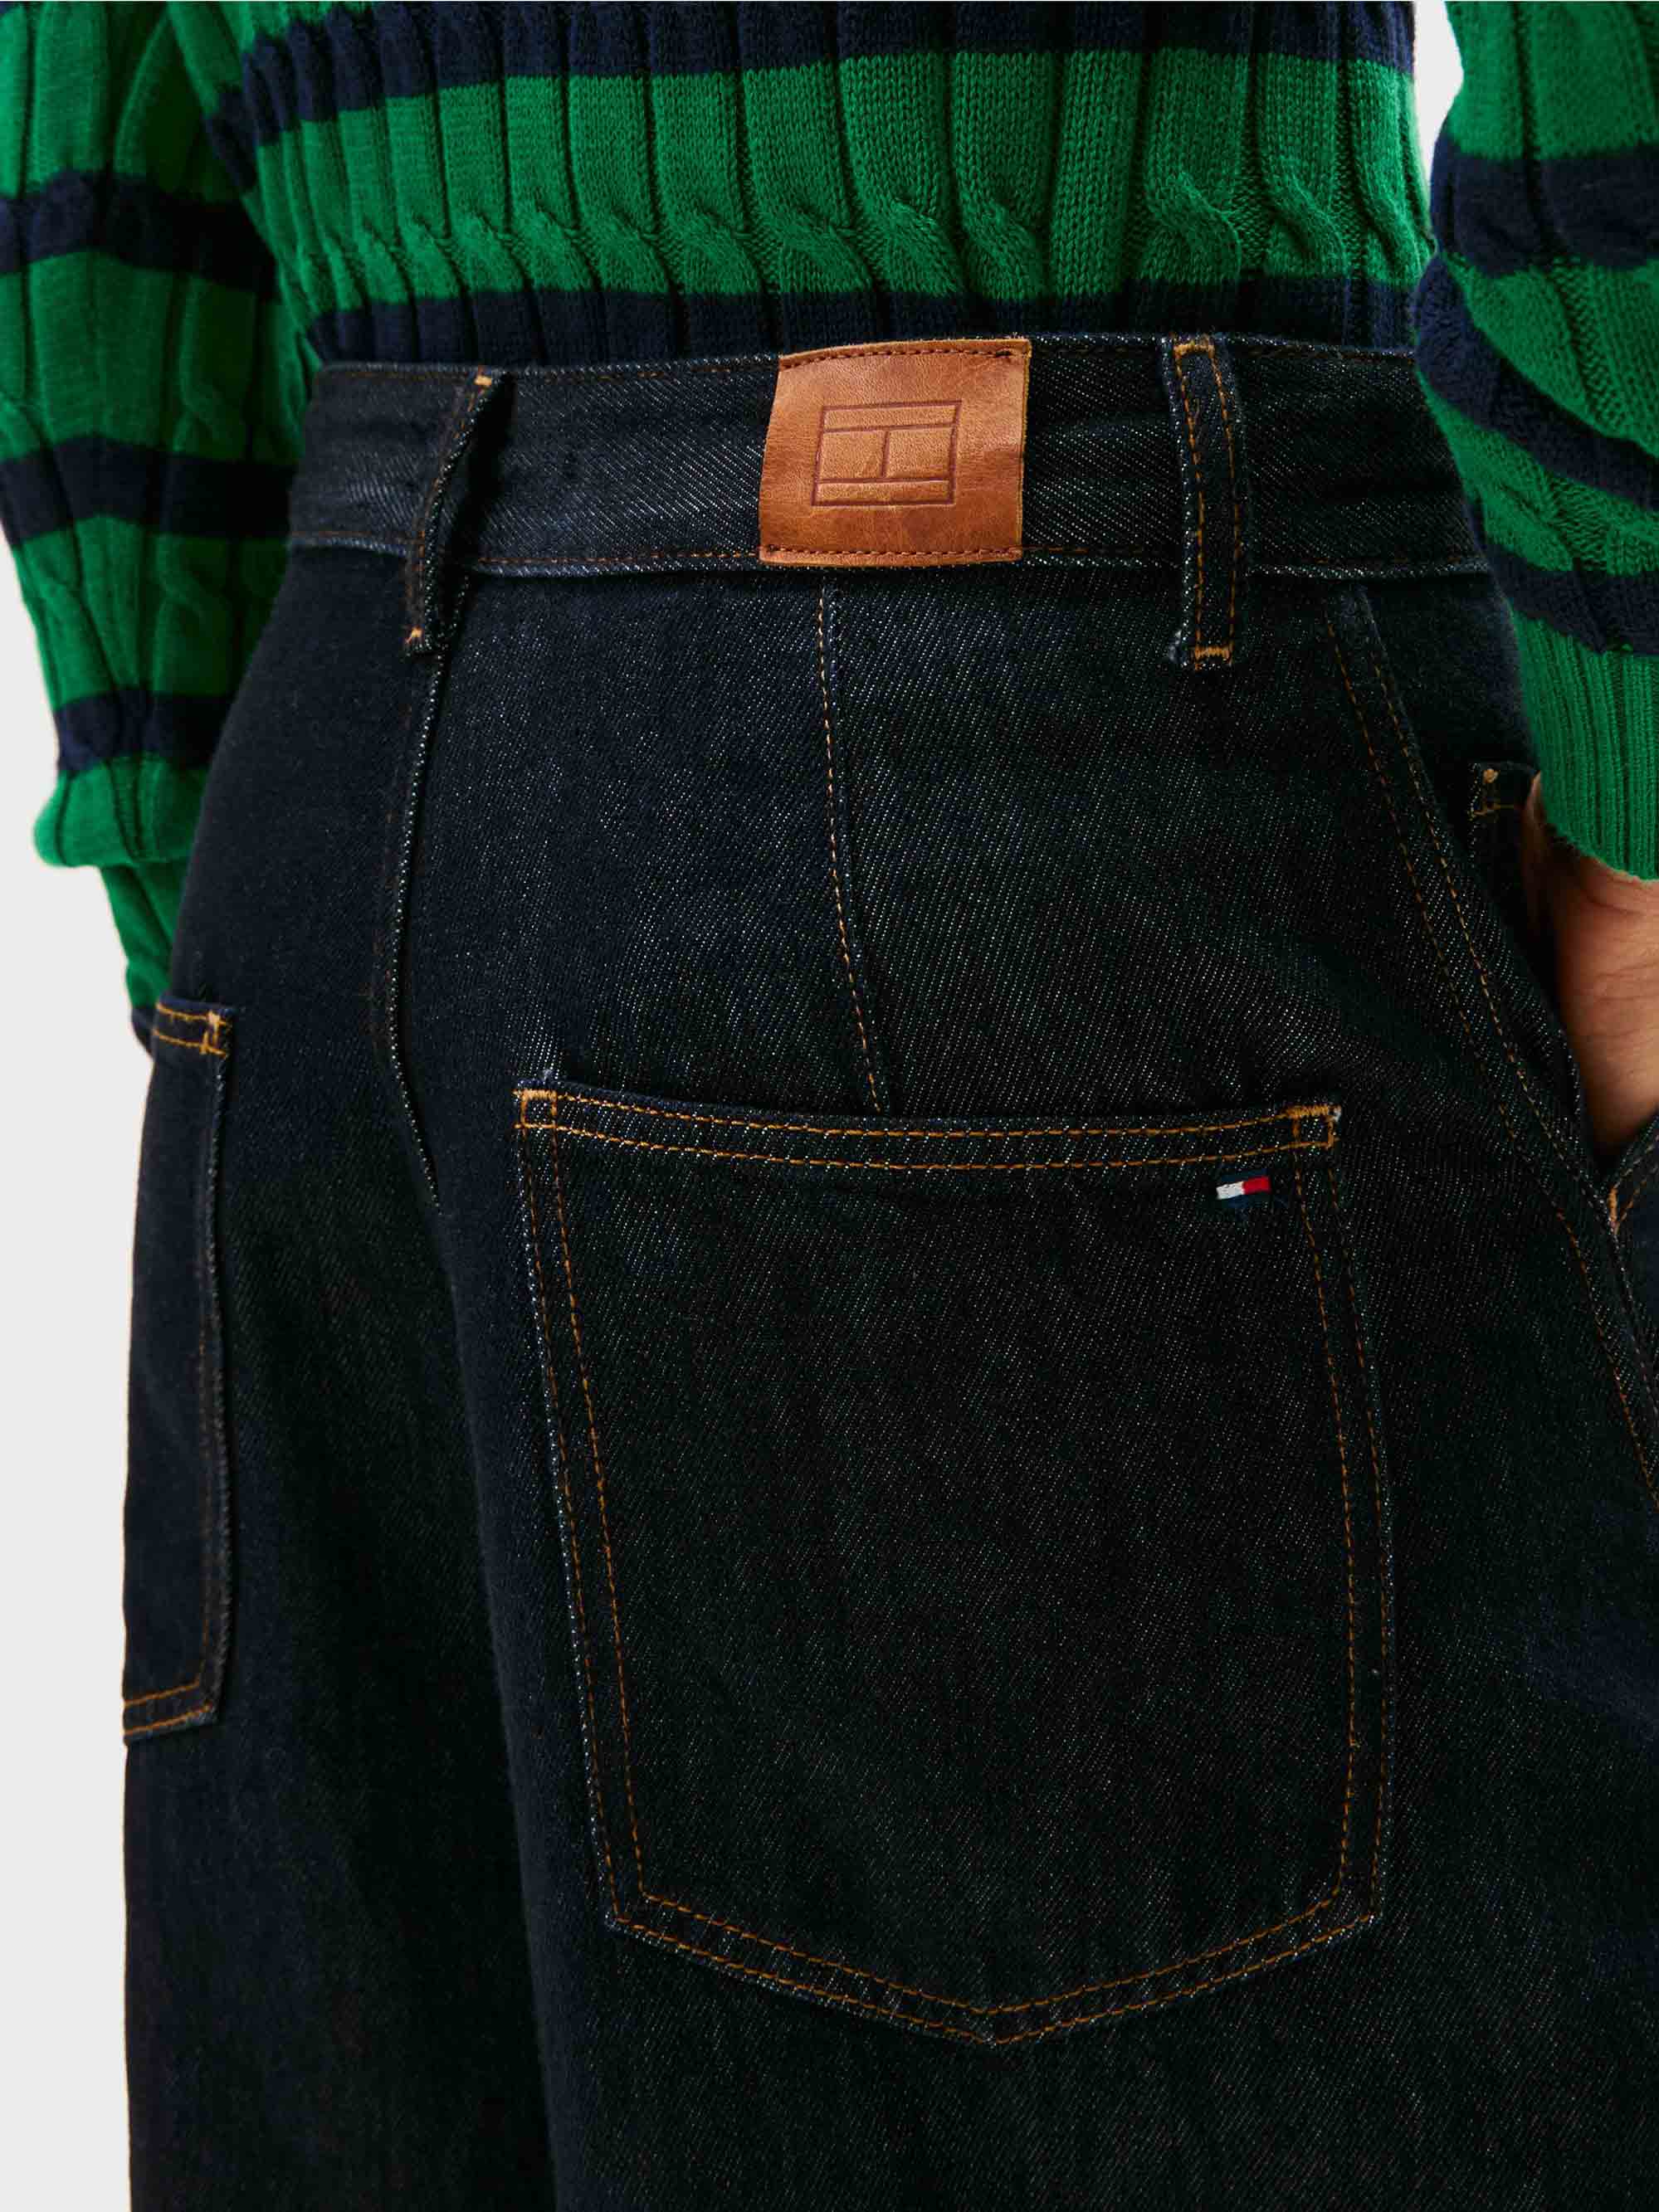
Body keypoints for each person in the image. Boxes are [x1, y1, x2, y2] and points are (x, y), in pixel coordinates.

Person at [3, 5, 1656, 2205]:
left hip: (335, 791)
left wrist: (221, 890)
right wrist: (1643, 788)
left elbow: (86, 105)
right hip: (1073, 702)